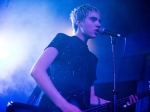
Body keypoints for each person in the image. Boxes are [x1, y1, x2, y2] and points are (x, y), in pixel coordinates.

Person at [30, 4, 137, 112]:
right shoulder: (63, 39)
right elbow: (37, 70)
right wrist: (65, 106)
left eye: (99, 21)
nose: (98, 24)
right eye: (93, 19)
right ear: (78, 22)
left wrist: (119, 103)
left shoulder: (92, 58)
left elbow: (90, 98)